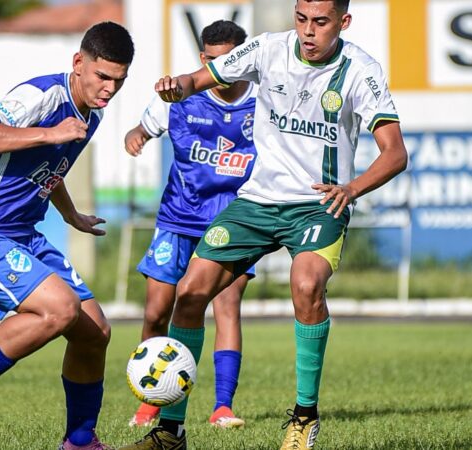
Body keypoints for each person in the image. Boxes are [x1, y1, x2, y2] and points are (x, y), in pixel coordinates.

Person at [120, 1, 407, 449]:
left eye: (321, 22)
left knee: (307, 284)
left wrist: (351, 189)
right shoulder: (267, 50)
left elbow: (395, 153)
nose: (308, 31)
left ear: (343, 22)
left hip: (317, 204)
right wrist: (178, 86)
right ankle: (171, 432)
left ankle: (304, 417)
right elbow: (201, 79)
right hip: (255, 203)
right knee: (190, 293)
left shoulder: (360, 71)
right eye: (302, 19)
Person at [0, 22, 134, 450]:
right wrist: (48, 132)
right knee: (59, 309)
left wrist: (72, 214)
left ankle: (80, 441)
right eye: (102, 77)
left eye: (119, 80)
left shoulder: (89, 114)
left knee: (94, 330)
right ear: (79, 63)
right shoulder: (42, 96)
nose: (110, 89)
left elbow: (46, 171)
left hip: (19, 233)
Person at [124, 20, 257, 430]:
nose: (222, 70)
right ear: (203, 59)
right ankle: (150, 399)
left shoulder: (266, 103)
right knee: (156, 310)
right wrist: (136, 137)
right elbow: (141, 128)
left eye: (230, 61)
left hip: (233, 224)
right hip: (177, 218)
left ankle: (222, 406)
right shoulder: (178, 98)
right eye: (213, 61)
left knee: (227, 306)